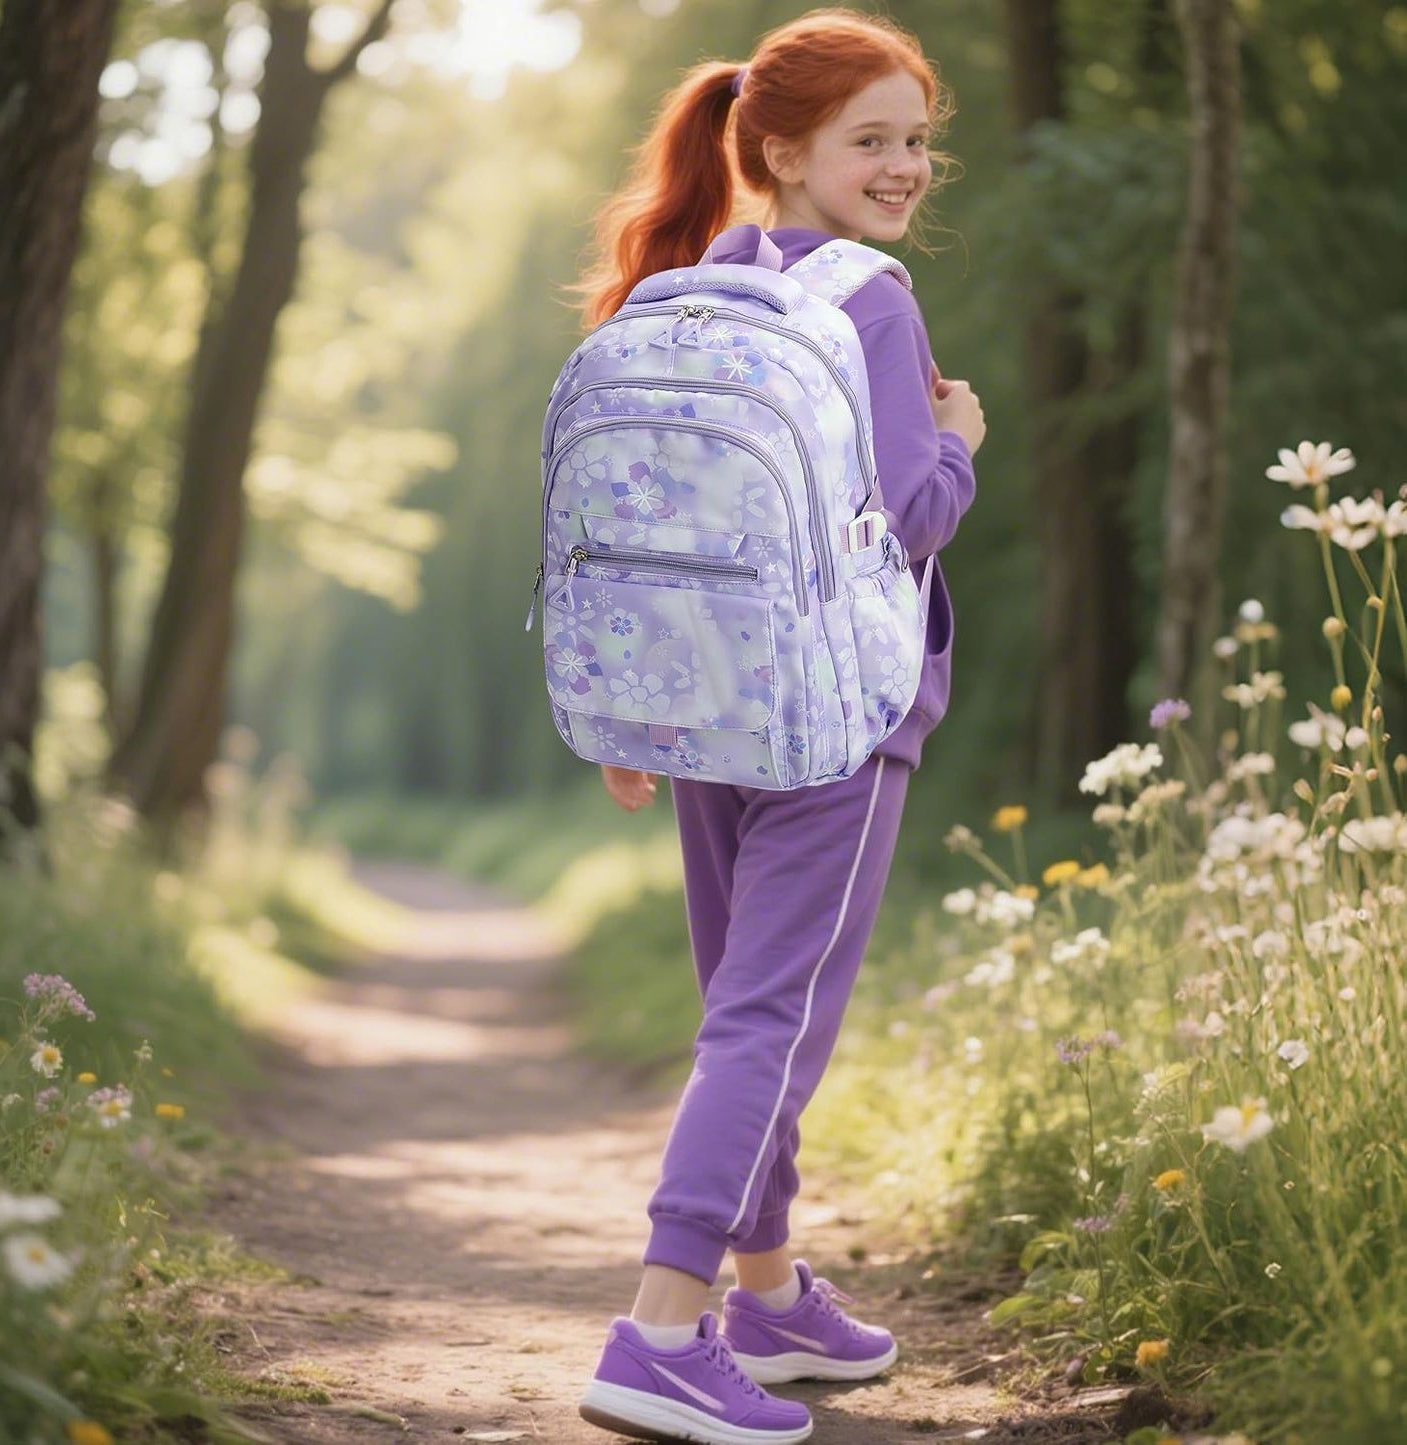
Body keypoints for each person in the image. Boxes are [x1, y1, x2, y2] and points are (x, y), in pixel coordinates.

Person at [572, 9, 985, 1443]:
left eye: (915, 140)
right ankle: (661, 1325)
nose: (903, 167)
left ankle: (764, 1291)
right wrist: (962, 444)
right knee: (772, 1020)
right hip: (835, 716)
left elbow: (647, 517)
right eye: (871, 140)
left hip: (702, 709)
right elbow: (909, 518)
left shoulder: (689, 284)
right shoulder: (867, 298)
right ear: (782, 148)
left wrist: (632, 708)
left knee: (739, 1012)